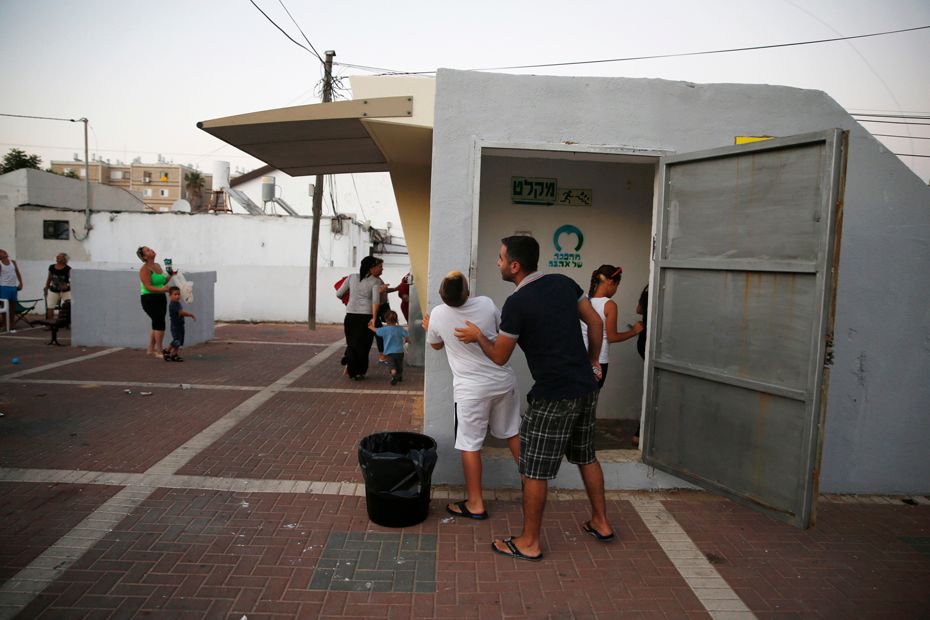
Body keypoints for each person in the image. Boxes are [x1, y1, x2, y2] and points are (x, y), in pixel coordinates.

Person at [455, 235, 612, 562]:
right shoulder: (564, 282)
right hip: (585, 388)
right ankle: (601, 522)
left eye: (500, 258)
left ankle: (529, 542)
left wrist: (478, 336)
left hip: (553, 395)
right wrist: (593, 362)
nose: (498, 263)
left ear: (514, 265)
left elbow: (500, 357)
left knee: (533, 470)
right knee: (586, 456)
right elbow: (596, 322)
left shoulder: (517, 303)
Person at [424, 271, 520, 520]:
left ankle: (476, 503)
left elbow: (435, 344)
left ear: (441, 295)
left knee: (470, 445)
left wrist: (430, 327)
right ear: (467, 292)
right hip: (502, 382)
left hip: (471, 392)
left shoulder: (438, 314)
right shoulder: (486, 304)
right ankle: (533, 485)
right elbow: (500, 330)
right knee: (512, 433)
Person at [582, 264, 644, 389]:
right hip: (598, 361)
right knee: (592, 396)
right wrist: (634, 331)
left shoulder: (584, 301)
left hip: (580, 359)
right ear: (611, 282)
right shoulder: (609, 305)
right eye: (617, 286)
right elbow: (612, 337)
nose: (616, 290)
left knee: (580, 396)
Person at [336, 256, 384, 380]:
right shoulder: (376, 281)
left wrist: (352, 298)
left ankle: (350, 366)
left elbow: (339, 294)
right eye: (379, 266)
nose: (381, 269)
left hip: (350, 316)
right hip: (366, 316)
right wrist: (374, 318)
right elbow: (375, 301)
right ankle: (359, 372)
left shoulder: (351, 277)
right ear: (371, 268)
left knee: (352, 343)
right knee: (364, 346)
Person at [137, 246, 173, 359]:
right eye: (147, 250)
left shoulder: (157, 265)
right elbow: (148, 286)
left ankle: (150, 349)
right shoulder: (144, 269)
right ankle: (159, 350)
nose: (151, 250)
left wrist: (170, 274)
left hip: (160, 297)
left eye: (150, 249)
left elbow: (162, 282)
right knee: (160, 323)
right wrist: (162, 289)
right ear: (144, 257)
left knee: (157, 322)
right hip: (149, 298)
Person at [370, 310, 407, 385]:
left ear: (386, 320)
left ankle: (394, 374)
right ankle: (399, 376)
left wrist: (370, 327)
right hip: (399, 352)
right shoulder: (400, 328)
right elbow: (406, 335)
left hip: (389, 352)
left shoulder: (384, 329)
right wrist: (408, 340)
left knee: (392, 365)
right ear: (396, 320)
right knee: (399, 365)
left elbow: (377, 330)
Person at [633, 285, 649, 447]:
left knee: (649, 385)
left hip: (642, 341)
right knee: (653, 388)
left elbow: (638, 309)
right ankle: (640, 433)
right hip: (652, 341)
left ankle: (639, 433)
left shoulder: (647, 288)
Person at [165, 286, 196, 362]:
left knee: (179, 341)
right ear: (170, 296)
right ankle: (167, 351)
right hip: (175, 326)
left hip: (180, 324)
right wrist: (190, 315)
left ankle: (174, 354)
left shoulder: (177, 303)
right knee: (176, 340)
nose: (177, 296)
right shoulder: (174, 304)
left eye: (178, 294)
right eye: (175, 294)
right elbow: (181, 312)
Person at [0, 249, 24, 331]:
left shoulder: (13, 262)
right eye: (2, 252)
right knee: (4, 307)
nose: (4, 252)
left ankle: (11, 324)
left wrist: (21, 283)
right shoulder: (0, 264)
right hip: (4, 287)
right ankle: (4, 324)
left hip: (13, 287)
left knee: (12, 307)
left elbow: (17, 273)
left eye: (4, 252)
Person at [43, 253, 72, 320]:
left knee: (69, 306)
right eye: (57, 256)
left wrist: (67, 285)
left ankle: (69, 323)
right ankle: (50, 323)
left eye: (59, 256)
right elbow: (49, 278)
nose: (57, 257)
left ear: (64, 259)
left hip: (65, 291)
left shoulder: (68, 269)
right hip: (54, 290)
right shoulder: (51, 267)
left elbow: (73, 280)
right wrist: (46, 288)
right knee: (50, 307)